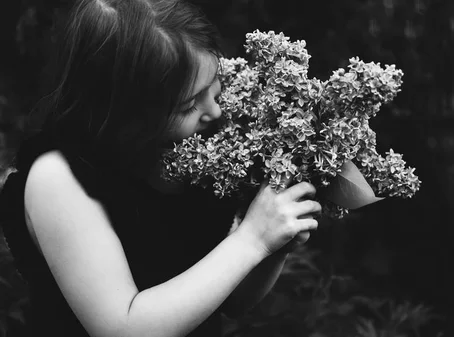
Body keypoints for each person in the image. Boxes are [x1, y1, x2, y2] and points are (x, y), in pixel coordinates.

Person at [0, 0, 321, 336]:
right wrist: (251, 240)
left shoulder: (184, 154)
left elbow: (231, 302)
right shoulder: (58, 179)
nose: (214, 111)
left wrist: (271, 247)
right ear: (125, 112)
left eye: (215, 86)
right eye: (188, 105)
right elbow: (124, 329)